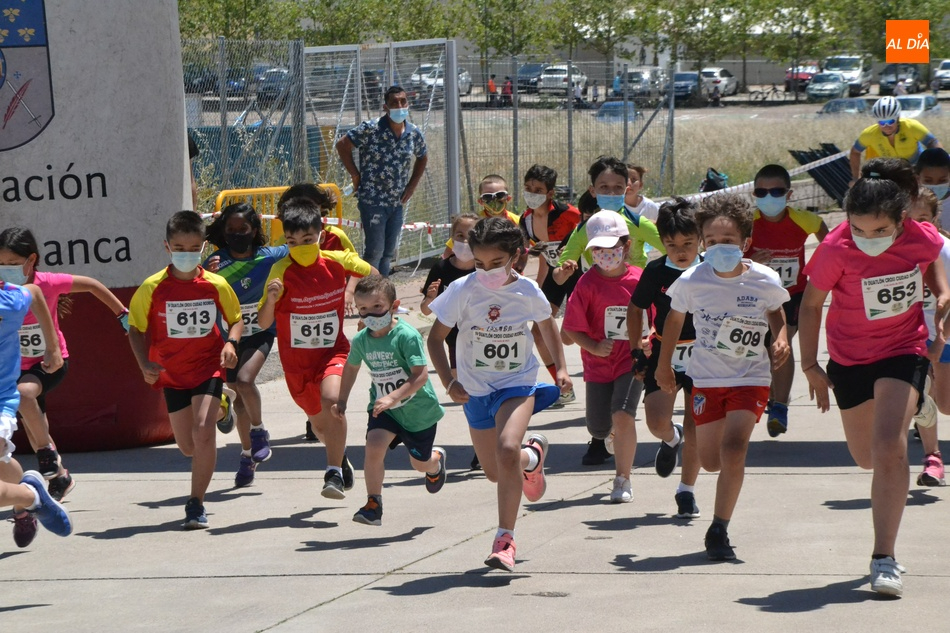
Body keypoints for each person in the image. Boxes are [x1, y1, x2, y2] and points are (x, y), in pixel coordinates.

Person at [799, 158, 950, 596]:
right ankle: (916, 408)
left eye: (880, 230)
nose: (868, 239)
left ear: (902, 219)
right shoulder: (835, 248)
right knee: (866, 457)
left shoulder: (921, 235)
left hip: (902, 348)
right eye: (859, 230)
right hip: (849, 358)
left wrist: (942, 294)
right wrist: (810, 366)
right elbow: (810, 305)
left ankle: (884, 557)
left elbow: (930, 263)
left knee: (889, 448)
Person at [427, 217, 571, 572]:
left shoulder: (527, 291)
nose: (486, 271)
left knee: (506, 448)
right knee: (495, 471)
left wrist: (561, 368)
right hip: (475, 390)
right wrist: (449, 382)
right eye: (479, 263)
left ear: (515, 256)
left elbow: (547, 326)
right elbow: (435, 339)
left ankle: (505, 540)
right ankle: (532, 457)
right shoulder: (462, 289)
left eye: (496, 263)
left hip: (517, 383)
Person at [656, 193, 790, 561]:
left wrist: (780, 338)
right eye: (711, 241)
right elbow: (674, 319)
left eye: (728, 240)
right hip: (707, 379)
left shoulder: (764, 278)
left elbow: (776, 311)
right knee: (712, 460)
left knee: (734, 450)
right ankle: (692, 451)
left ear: (745, 242)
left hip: (751, 377)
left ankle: (719, 528)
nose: (719, 248)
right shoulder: (692, 280)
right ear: (702, 242)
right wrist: (663, 365)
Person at [128, 211, 244, 529]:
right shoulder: (152, 287)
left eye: (194, 248)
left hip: (208, 367)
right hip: (172, 374)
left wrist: (231, 343)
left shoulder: (216, 284)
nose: (186, 254)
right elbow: (135, 329)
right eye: (179, 248)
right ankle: (224, 408)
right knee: (187, 447)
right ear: (167, 246)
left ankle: (195, 503)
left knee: (202, 431)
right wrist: (144, 364)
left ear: (203, 247)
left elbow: (236, 319)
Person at [257, 199, 375, 500]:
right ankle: (340, 457)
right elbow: (263, 322)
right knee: (321, 427)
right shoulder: (280, 270)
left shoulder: (338, 260)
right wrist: (271, 299)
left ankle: (332, 472)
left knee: (333, 401)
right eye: (292, 242)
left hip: (333, 352)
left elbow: (375, 276)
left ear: (321, 235)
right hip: (297, 365)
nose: (301, 247)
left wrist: (369, 310)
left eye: (308, 240)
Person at [0, 227, 129, 502]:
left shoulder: (47, 283)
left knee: (24, 396)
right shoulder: (3, 291)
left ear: (31, 260)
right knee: (34, 426)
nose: (6, 270)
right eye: (1, 264)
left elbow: (92, 285)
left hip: (49, 363)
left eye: (12, 264)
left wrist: (122, 315)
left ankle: (46, 453)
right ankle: (60, 476)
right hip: (15, 369)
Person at [335, 275, 447, 526]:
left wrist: (393, 396)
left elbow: (420, 376)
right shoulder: (362, 340)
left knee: (420, 464)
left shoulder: (406, 336)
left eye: (377, 306)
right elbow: (351, 368)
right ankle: (373, 504)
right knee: (374, 447)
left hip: (417, 411)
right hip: (384, 409)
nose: (370, 314)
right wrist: (342, 400)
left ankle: (435, 462)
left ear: (394, 306)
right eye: (363, 308)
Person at [627, 198, 703, 520]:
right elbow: (635, 309)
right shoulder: (656, 271)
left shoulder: (711, 270)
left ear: (700, 239)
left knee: (697, 424)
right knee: (656, 422)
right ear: (662, 242)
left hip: (704, 355)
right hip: (664, 352)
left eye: (688, 244)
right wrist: (637, 351)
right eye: (672, 245)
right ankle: (672, 439)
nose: (680, 252)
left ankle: (686, 491)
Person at [563, 211, 643, 503]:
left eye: (611, 247)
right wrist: (594, 347)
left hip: (631, 362)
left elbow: (655, 319)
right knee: (597, 427)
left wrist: (647, 342)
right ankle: (610, 435)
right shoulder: (586, 284)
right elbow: (571, 329)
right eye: (597, 248)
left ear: (626, 245)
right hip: (597, 365)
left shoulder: (640, 280)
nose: (605, 254)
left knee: (623, 414)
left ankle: (622, 480)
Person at [744, 164, 829, 437]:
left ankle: (779, 406)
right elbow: (726, 252)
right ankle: (772, 397)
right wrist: (748, 259)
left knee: (780, 343)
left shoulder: (803, 219)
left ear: (789, 195)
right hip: (756, 295)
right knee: (761, 349)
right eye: (762, 192)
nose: (769, 197)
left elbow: (826, 237)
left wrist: (823, 266)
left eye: (776, 191)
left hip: (793, 294)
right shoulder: (747, 222)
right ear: (754, 194)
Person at [204, 203, 285, 487]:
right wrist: (205, 274)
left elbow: (304, 248)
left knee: (245, 380)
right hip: (229, 337)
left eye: (243, 229)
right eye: (231, 230)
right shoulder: (216, 263)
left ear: (254, 230)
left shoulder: (271, 256)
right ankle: (248, 455)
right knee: (238, 399)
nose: (237, 234)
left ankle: (259, 431)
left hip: (261, 331)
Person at [277, 183, 360, 442]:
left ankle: (334, 449)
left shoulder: (337, 237)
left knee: (330, 398)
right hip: (298, 347)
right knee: (318, 421)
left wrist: (348, 292)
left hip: (330, 332)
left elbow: (358, 267)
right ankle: (317, 424)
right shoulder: (286, 246)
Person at [0, 278, 71, 547]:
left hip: (1, 398)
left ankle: (29, 497)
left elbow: (36, 292)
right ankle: (28, 497)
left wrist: (52, 346)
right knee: (2, 463)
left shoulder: (10, 300)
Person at [336, 86, 428, 277]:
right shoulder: (371, 128)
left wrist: (412, 185)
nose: (400, 106)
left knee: (388, 253)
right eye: (394, 103)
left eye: (403, 101)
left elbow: (422, 156)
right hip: (373, 201)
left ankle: (383, 289)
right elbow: (342, 145)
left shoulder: (413, 132)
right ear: (386, 107)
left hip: (396, 203)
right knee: (375, 251)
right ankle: (367, 289)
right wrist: (355, 175)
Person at [519, 164, 580, 408]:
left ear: (550, 193)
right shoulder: (526, 219)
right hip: (554, 277)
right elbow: (541, 253)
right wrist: (538, 284)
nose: (532, 193)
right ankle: (562, 386)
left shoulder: (570, 215)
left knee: (570, 335)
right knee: (538, 332)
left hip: (578, 275)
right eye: (528, 188)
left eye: (538, 190)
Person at [907, 186, 946, 486]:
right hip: (910, 339)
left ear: (934, 219)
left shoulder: (944, 250)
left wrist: (940, 340)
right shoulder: (893, 250)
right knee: (921, 392)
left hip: (944, 336)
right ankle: (933, 460)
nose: (915, 225)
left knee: (945, 403)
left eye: (922, 219)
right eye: (908, 218)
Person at [849, 97, 943, 183]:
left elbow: (932, 142)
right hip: (892, 171)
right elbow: (855, 152)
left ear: (897, 118)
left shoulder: (911, 126)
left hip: (917, 167)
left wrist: (938, 163)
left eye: (890, 121)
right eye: (882, 123)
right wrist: (856, 178)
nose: (887, 126)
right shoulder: (869, 134)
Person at [440, 175, 521, 259]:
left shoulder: (517, 222)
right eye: (487, 197)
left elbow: (527, 247)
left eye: (500, 195)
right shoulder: (474, 222)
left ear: (508, 198)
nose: (494, 200)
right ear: (480, 201)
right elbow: (450, 249)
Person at [915, 147, 950, 218]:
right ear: (918, 179)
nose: (935, 185)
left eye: (942, 180)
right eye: (928, 181)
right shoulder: (911, 206)